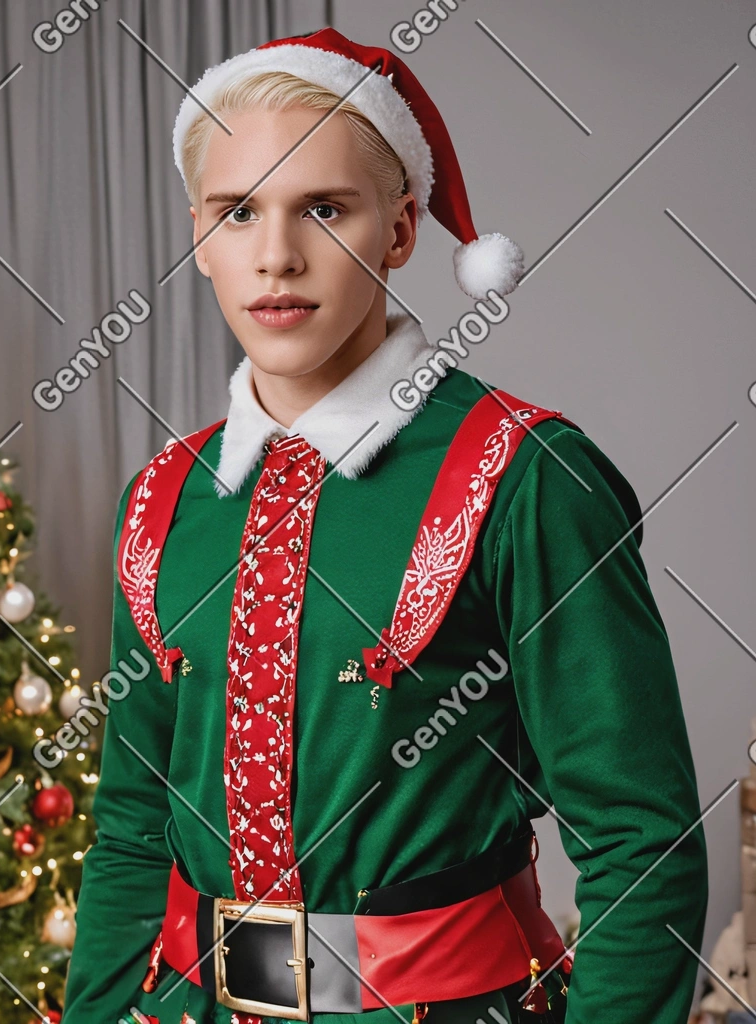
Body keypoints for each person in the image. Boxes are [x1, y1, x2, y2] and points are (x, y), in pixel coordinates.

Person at [61, 26, 708, 1024]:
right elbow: (134, 824)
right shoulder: (163, 496)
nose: (275, 255)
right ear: (198, 233)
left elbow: (639, 839)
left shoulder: (524, 476)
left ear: (400, 230)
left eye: (323, 208)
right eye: (238, 212)